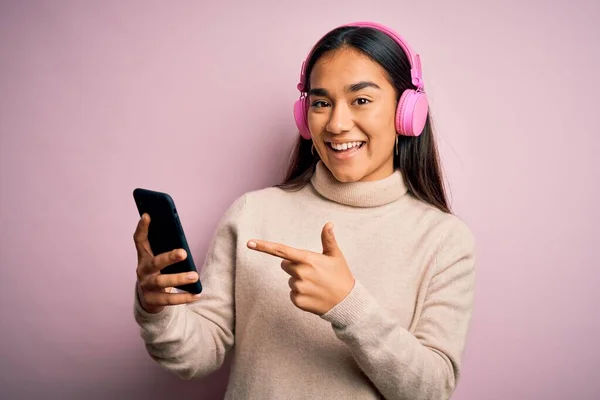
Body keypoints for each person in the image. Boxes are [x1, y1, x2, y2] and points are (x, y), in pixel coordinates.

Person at [133, 21, 476, 400]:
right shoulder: (251, 213)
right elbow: (197, 355)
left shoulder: (445, 239)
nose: (337, 124)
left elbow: (430, 390)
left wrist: (349, 305)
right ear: (304, 116)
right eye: (321, 103)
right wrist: (158, 309)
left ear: (407, 113)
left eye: (361, 100)